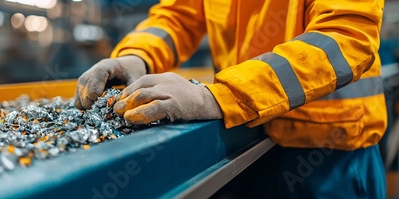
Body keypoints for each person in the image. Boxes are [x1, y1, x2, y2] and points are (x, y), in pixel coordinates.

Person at [75, 0, 387, 198]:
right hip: (246, 138)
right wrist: (137, 56)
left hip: (330, 153)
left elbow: (346, 37)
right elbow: (178, 15)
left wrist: (218, 96)